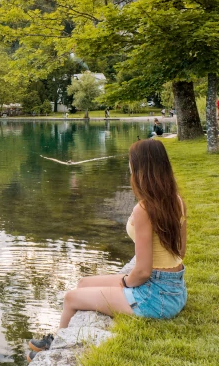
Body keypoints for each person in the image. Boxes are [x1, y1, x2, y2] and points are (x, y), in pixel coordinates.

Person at [26, 139, 187, 362]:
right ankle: (57, 338)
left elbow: (142, 273)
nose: (129, 168)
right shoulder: (176, 200)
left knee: (71, 298)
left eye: (131, 164)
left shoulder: (144, 209)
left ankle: (55, 347)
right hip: (175, 289)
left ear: (140, 168)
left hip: (154, 297)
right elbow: (181, 251)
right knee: (83, 283)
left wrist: (122, 282)